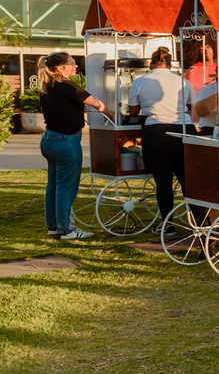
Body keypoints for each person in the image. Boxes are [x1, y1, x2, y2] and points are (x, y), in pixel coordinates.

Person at [38, 53, 111, 239]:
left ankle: (54, 226)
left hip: (49, 139)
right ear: (59, 68)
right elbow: (98, 105)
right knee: (66, 187)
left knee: (53, 186)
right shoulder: (68, 86)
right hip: (65, 141)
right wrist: (114, 117)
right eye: (72, 63)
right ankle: (67, 230)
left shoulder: (47, 87)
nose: (76, 66)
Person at [127, 47, 193, 231]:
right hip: (185, 130)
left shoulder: (140, 81)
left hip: (156, 131)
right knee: (189, 179)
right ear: (170, 64)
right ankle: (199, 222)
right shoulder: (183, 81)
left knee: (163, 181)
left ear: (151, 63)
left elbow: (133, 111)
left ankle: (168, 223)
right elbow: (189, 105)